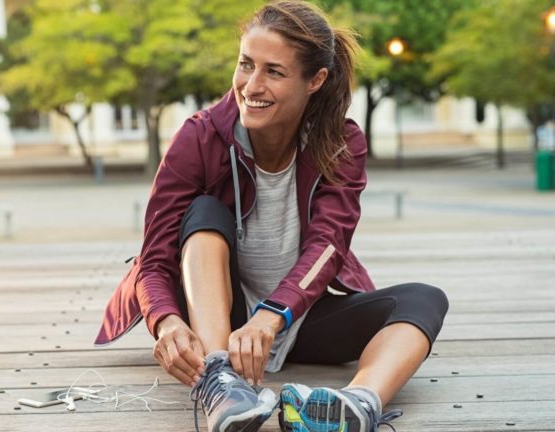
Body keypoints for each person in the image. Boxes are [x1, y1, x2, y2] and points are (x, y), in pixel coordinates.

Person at [95, 1, 449, 431]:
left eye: (274, 72)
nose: (251, 85)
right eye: (246, 65)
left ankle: (358, 404)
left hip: (297, 318)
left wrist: (273, 314)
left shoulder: (341, 142)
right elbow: (153, 258)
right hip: (221, 326)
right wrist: (166, 320)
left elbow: (328, 247)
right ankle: (220, 380)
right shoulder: (200, 136)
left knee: (424, 298)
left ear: (315, 80)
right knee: (204, 212)